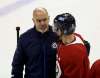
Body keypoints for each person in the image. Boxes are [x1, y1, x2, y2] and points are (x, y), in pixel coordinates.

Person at [11, 7, 58, 78]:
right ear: (33, 20)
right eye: (39, 21)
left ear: (49, 18)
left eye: (45, 19)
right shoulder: (24, 38)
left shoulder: (57, 35)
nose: (42, 23)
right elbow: (17, 65)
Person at [53, 13, 90, 78]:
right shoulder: (76, 36)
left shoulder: (73, 55)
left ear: (64, 31)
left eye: (56, 28)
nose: (54, 30)